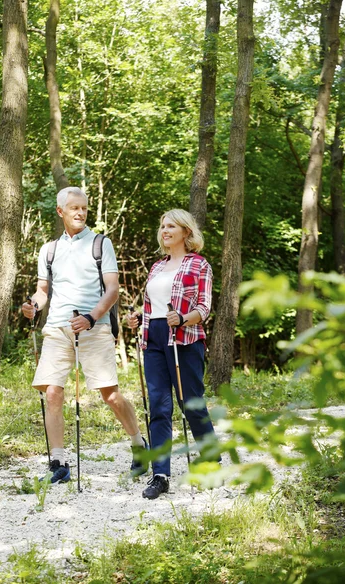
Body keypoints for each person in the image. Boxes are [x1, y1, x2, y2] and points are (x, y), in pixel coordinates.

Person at [22, 186, 147, 484]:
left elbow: (113, 290)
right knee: (52, 391)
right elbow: (42, 292)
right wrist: (32, 306)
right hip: (56, 328)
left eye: (84, 209)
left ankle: (140, 446)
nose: (80, 213)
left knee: (110, 395)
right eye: (74, 208)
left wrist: (91, 318)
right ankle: (59, 462)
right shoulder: (49, 250)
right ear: (60, 211)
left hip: (95, 327)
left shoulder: (101, 244)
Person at [127, 209, 218, 500]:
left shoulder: (199, 265)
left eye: (171, 226)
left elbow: (203, 308)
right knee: (159, 406)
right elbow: (154, 306)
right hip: (153, 338)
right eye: (162, 225)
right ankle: (160, 474)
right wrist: (138, 317)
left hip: (184, 340)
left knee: (190, 402)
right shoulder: (156, 267)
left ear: (186, 232)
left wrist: (182, 318)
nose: (164, 230)